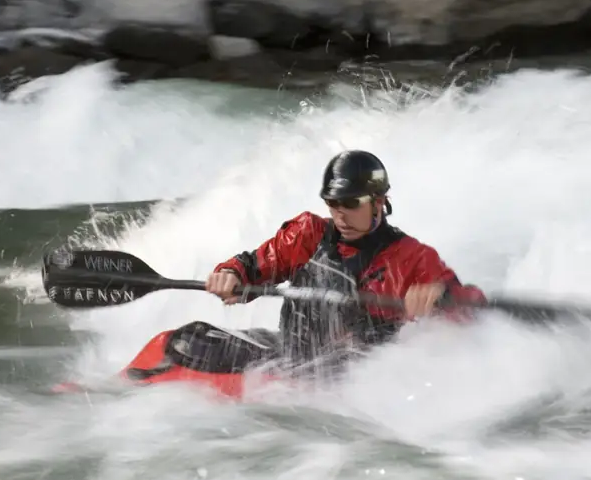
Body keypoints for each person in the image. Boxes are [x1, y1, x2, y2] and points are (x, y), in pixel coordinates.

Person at [204, 149, 486, 365]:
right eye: (333, 203)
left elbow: (471, 310)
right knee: (186, 341)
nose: (340, 214)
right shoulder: (306, 234)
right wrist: (231, 275)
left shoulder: (413, 258)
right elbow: (251, 266)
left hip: (356, 372)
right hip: (291, 354)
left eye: (351, 203)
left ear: (378, 201)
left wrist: (442, 297)